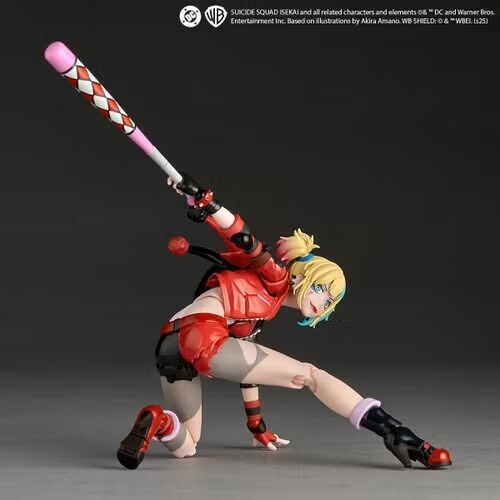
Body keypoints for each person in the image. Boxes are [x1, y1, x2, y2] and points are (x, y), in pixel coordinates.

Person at [116, 173, 452, 470]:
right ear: (304, 275)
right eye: (321, 289)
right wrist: (207, 202)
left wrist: (256, 425)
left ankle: (158, 420)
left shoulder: (254, 316)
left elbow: (247, 368)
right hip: (203, 333)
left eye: (329, 302)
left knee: (186, 445)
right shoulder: (276, 279)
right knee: (310, 375)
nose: (321, 302)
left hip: (171, 343)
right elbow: (243, 238)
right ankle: (398, 434)